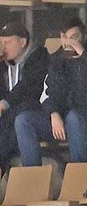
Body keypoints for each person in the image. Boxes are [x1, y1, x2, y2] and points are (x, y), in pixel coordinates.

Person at [16, 19, 87, 167]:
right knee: (24, 120)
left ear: (83, 35)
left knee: (74, 118)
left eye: (73, 36)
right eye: (64, 37)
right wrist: (54, 113)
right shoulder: (57, 58)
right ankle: (33, 176)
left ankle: (79, 174)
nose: (68, 41)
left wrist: (84, 54)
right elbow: (49, 91)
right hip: (66, 122)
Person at [0, 20, 48, 169]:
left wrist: (4, 104)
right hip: (11, 113)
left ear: (22, 42)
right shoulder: (3, 63)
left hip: (37, 111)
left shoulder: (39, 56)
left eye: (7, 42)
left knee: (16, 118)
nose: (3, 47)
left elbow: (28, 87)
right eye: (1, 43)